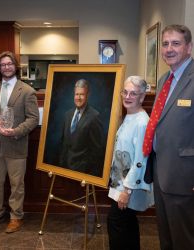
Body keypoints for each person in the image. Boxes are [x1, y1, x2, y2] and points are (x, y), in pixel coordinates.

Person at [143, 24, 194, 250]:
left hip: (185, 176)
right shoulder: (165, 79)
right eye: (165, 44)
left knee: (184, 239)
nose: (169, 49)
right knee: (166, 237)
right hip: (161, 171)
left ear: (189, 47)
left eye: (176, 43)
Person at [0, 51, 39, 233]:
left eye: (10, 64)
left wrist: (16, 131)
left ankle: (16, 216)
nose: (6, 67)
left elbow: (32, 119)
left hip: (16, 144)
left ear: (16, 66)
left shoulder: (28, 91)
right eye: (3, 64)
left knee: (16, 184)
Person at [107, 76, 154, 250]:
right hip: (119, 182)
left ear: (142, 97)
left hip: (128, 187)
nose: (127, 96)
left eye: (133, 93)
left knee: (116, 223)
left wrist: (126, 191)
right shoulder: (129, 116)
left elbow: (140, 161)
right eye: (125, 92)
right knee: (127, 225)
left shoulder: (142, 122)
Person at [59, 79, 105, 177]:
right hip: (65, 169)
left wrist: (87, 172)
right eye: (76, 94)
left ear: (88, 95)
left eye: (82, 95)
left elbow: (97, 151)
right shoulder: (68, 115)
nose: (78, 98)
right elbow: (64, 143)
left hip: (83, 172)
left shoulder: (94, 116)